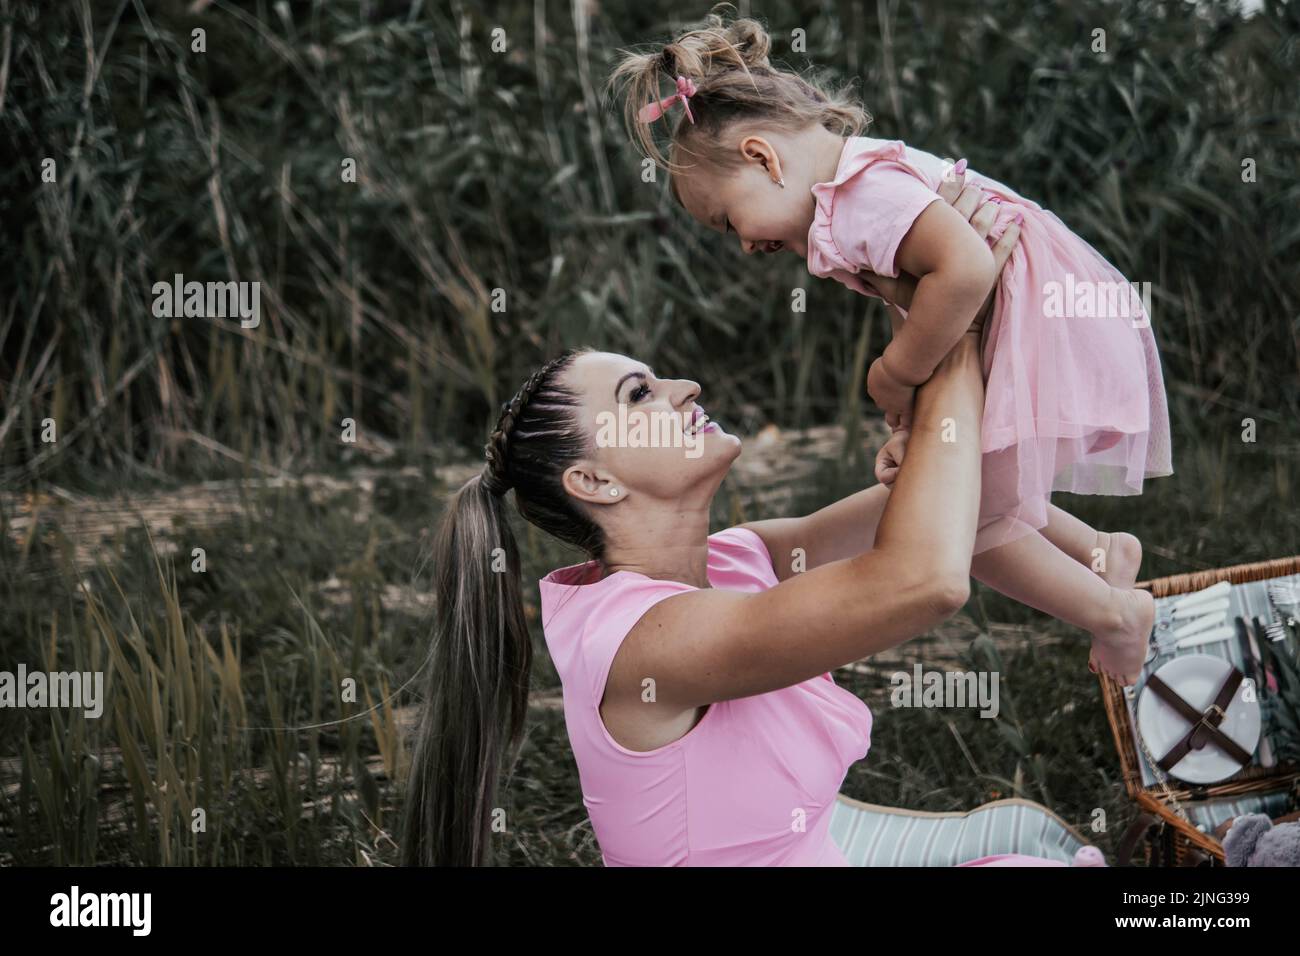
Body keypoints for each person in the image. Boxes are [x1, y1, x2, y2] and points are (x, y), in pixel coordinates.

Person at [398, 173, 1105, 866]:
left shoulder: (740, 558)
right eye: (640, 393)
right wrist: (955, 329)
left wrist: (928, 308)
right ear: (594, 480)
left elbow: (962, 504)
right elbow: (925, 579)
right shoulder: (643, 644)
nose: (686, 388)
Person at [609, 9, 1173, 685]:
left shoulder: (859, 195)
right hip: (1021, 321)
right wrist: (913, 423)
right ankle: (1099, 551)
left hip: (1035, 321)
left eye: (729, 219)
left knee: (968, 521)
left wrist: (895, 371)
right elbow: (923, 297)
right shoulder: (849, 194)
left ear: (762, 157)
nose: (745, 244)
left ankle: (1114, 614)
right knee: (977, 481)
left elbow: (962, 271)